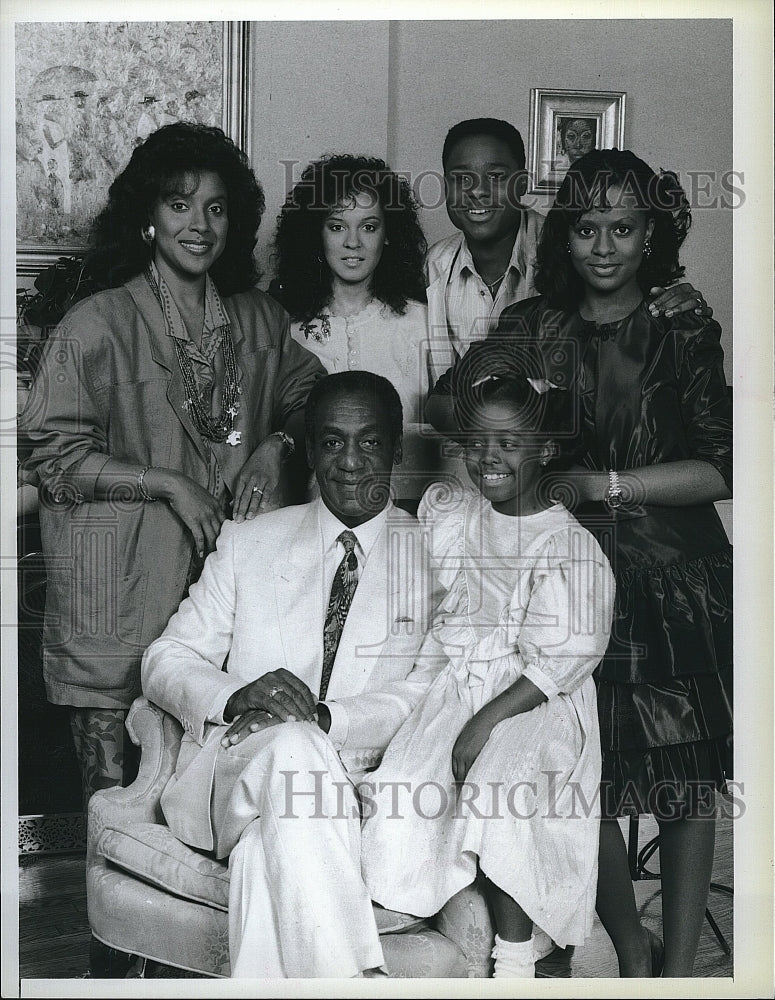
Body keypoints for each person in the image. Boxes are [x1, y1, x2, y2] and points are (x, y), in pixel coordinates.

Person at [430, 148, 733, 977]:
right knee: (576, 771)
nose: (604, 246)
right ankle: (632, 961)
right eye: (587, 227)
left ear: (650, 236)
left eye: (624, 228)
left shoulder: (680, 324)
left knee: (682, 781)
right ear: (563, 236)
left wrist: (602, 483)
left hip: (672, 578)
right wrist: (507, 440)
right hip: (562, 580)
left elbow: (719, 467)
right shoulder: (536, 326)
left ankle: (675, 977)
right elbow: (450, 402)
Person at [19, 122, 324, 809]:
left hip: (221, 601)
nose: (198, 224)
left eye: (216, 208)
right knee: (117, 806)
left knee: (213, 789)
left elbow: (317, 404)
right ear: (147, 218)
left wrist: (277, 445)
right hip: (120, 589)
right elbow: (54, 459)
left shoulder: (258, 321)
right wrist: (164, 481)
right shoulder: (96, 325)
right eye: (178, 204)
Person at [141, 371, 445, 978]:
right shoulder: (249, 542)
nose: (351, 463)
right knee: (292, 745)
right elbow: (164, 659)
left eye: (370, 442)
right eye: (332, 442)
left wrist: (327, 719)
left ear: (397, 449)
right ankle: (357, 982)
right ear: (309, 449)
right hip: (239, 774)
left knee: (263, 862)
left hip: (366, 786)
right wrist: (236, 695)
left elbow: (430, 691)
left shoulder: (438, 557)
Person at [360, 343, 615, 978]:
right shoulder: (460, 515)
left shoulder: (566, 544)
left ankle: (516, 959)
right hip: (464, 682)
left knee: (499, 785)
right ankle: (398, 924)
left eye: (508, 443)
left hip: (534, 698)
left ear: (546, 450)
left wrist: (486, 721)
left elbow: (561, 658)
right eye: (475, 443)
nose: (488, 458)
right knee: (403, 789)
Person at [424, 117, 713, 396]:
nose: (477, 191)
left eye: (496, 177)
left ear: (522, 183)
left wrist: (686, 309)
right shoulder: (434, 264)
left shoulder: (572, 254)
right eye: (462, 179)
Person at [273, 154, 433, 508]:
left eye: (369, 227)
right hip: (307, 514)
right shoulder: (285, 328)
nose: (353, 242)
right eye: (336, 226)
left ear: (389, 235)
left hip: (406, 512)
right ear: (315, 234)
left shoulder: (422, 324)